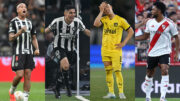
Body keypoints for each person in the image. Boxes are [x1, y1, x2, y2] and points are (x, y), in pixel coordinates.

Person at [135, 2, 179, 101]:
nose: (152, 11)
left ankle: (162, 97)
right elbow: (145, 36)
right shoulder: (150, 22)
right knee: (150, 73)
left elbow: (176, 37)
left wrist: (176, 53)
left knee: (165, 69)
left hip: (165, 52)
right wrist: (134, 38)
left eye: (154, 9)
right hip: (152, 52)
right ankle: (148, 97)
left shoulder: (169, 23)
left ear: (159, 11)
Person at [45, 5, 90, 99]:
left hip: (71, 49)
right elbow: (47, 30)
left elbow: (85, 31)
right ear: (65, 13)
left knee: (64, 68)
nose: (73, 15)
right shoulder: (57, 21)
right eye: (70, 13)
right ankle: (68, 87)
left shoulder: (77, 22)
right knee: (65, 66)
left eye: (74, 13)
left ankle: (57, 87)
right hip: (58, 47)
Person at [93, 1, 134, 99]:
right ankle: (111, 92)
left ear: (111, 7)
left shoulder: (121, 20)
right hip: (105, 50)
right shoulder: (104, 19)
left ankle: (121, 92)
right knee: (108, 71)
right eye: (104, 8)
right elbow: (95, 24)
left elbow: (131, 31)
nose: (106, 9)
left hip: (116, 50)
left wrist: (124, 43)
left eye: (107, 7)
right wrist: (101, 12)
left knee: (117, 71)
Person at [8, 3, 40, 101]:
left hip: (29, 52)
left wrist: (37, 48)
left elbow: (34, 38)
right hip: (18, 52)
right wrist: (19, 32)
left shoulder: (30, 23)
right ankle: (12, 90)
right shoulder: (13, 22)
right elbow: (10, 38)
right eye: (21, 7)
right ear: (17, 11)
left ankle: (25, 99)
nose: (24, 8)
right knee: (20, 75)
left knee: (28, 75)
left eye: (25, 7)